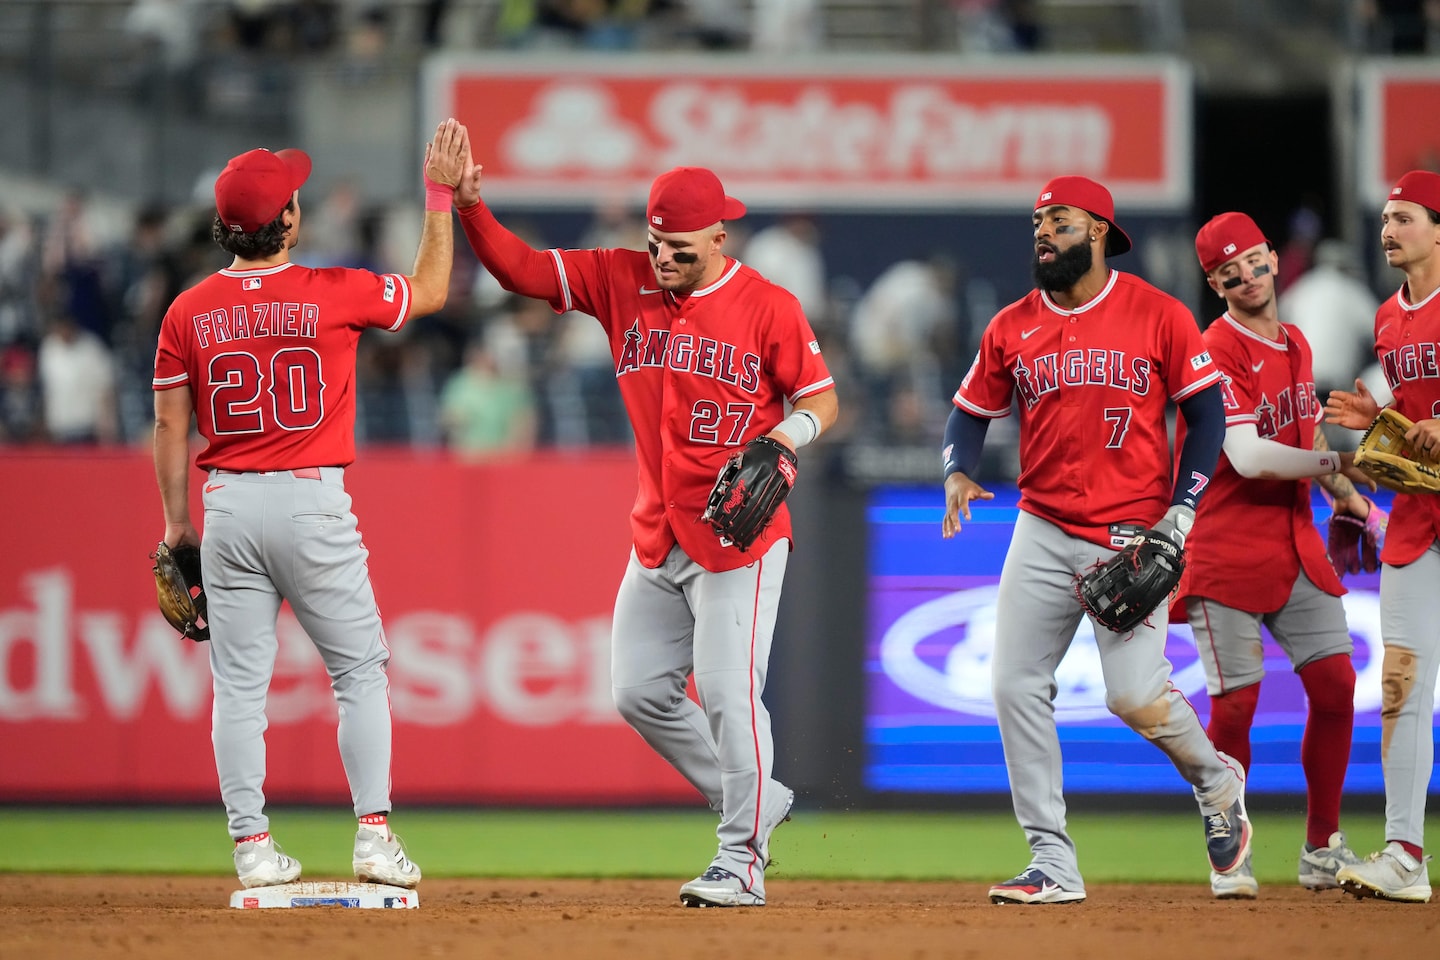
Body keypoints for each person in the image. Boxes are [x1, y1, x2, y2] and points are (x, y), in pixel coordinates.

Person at [453, 159, 838, 907]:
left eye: (680, 248)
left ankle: (742, 858)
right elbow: (522, 271)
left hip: (740, 537)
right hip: (659, 532)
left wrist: (782, 439)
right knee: (637, 692)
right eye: (655, 243)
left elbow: (822, 400)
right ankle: (759, 796)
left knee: (729, 693)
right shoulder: (619, 277)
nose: (663, 258)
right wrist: (472, 208)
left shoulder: (768, 305)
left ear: (720, 236)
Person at [151, 119, 468, 890]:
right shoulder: (334, 290)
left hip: (225, 504)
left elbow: (169, 422)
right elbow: (429, 290)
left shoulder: (186, 311)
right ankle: (371, 836)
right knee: (359, 670)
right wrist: (438, 195)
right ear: (287, 220)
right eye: (292, 199)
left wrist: (176, 525)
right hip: (311, 499)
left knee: (239, 687)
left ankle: (252, 847)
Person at [940, 175, 1250, 905]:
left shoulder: (1159, 315)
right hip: (1042, 526)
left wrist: (1183, 512)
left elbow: (1206, 420)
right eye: (1040, 221)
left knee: (1134, 696)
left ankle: (1216, 780)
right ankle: (1052, 861)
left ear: (1101, 233)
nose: (1045, 232)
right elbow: (968, 413)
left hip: (1134, 534)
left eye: (1064, 221)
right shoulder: (1012, 324)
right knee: (1014, 683)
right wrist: (957, 471)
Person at [1179, 211, 1379, 899]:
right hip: (1229, 547)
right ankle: (1229, 848)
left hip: (1293, 542)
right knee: (1236, 707)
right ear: (1215, 282)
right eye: (1228, 269)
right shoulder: (1212, 347)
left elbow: (1299, 437)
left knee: (1336, 687)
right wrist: (1341, 460)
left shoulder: (1294, 340)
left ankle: (1321, 846)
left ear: (1272, 258)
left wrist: (1344, 495)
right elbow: (1249, 455)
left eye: (1254, 258)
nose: (1247, 273)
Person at [1326, 168, 1440, 903]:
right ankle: (1405, 853)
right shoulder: (1388, 319)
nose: (1388, 230)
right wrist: (1381, 422)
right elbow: (1416, 426)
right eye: (1385, 219)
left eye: (1403, 217)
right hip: (1423, 519)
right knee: (1401, 684)